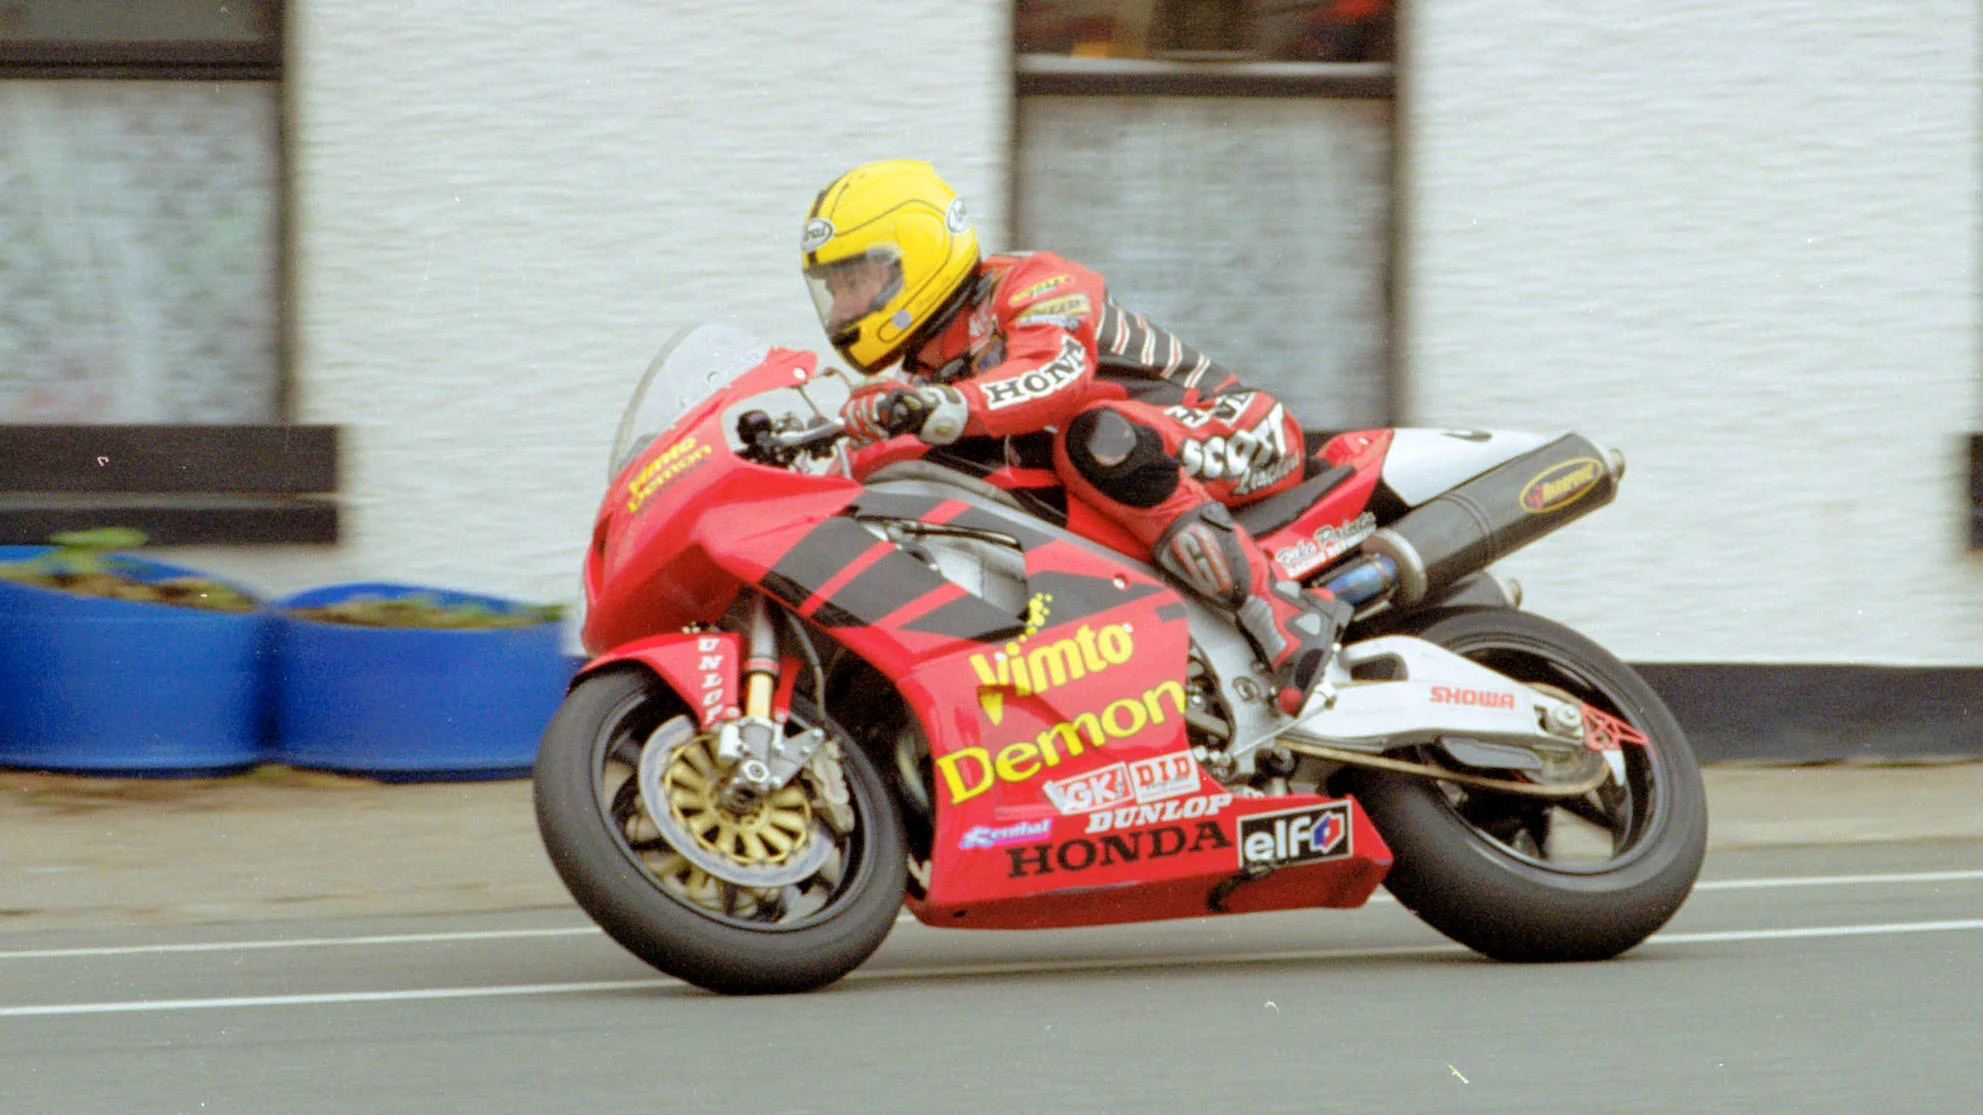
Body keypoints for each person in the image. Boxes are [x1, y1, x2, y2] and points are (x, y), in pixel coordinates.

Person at [801, 159, 1350, 716]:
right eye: (834, 289)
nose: (843, 306)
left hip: (1237, 426)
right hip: (1150, 468)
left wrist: (942, 407)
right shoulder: (922, 377)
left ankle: (1283, 611)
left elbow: (1056, 377)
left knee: (1095, 440)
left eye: (854, 280)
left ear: (914, 257)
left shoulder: (1028, 281)